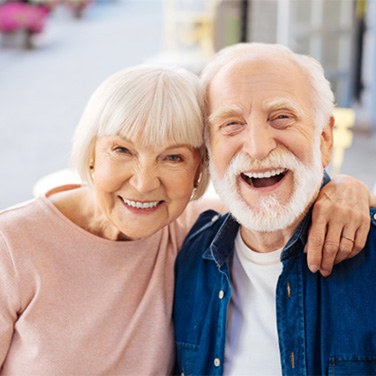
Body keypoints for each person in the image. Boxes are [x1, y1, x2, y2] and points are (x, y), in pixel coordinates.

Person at [0, 65, 372, 375]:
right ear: (91, 154)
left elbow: (274, 200)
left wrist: (346, 189)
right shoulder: (12, 245)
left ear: (200, 171)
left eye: (173, 158)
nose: (144, 183)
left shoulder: (191, 230)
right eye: (122, 150)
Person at [173, 43, 376, 375]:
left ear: (324, 138)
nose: (257, 148)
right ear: (209, 151)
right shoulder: (189, 253)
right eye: (231, 124)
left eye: (281, 118)